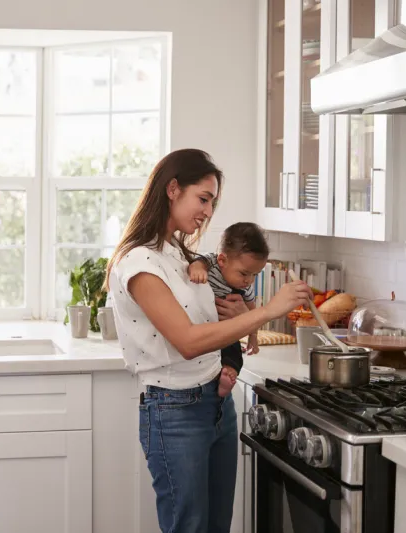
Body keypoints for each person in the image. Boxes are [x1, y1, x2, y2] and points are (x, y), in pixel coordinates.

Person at [106, 148, 313, 533]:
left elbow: (201, 319)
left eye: (212, 202)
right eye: (203, 198)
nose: (207, 211)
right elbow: (186, 340)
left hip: (215, 402)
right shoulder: (139, 263)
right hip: (174, 410)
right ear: (172, 189)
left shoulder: (179, 253)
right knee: (190, 527)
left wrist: (234, 317)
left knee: (217, 525)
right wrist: (265, 312)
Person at [188, 222, 269, 397]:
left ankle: (228, 373)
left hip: (226, 331)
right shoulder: (211, 263)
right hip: (204, 330)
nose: (249, 281)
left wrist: (253, 337)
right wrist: (197, 268)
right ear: (222, 260)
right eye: (244, 273)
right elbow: (199, 261)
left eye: (255, 275)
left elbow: (253, 312)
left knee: (233, 351)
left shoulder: (244, 287)